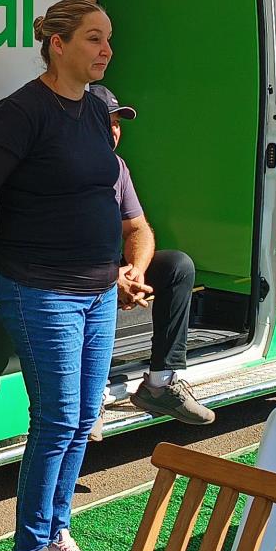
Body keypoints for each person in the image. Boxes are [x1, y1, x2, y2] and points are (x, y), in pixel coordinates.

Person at [0, 0, 117, 551]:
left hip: (98, 290)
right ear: (57, 44)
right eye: (95, 40)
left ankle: (57, 531)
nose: (106, 51)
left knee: (82, 417)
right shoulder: (20, 113)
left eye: (107, 40)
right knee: (56, 418)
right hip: (40, 290)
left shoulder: (98, 107)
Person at [87, 84, 212, 430]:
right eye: (104, 122)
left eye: (116, 123)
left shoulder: (117, 167)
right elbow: (66, 247)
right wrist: (113, 277)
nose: (113, 130)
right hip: (76, 271)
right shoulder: (64, 168)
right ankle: (89, 396)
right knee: (89, 285)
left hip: (112, 267)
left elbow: (139, 229)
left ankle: (160, 383)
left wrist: (136, 272)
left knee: (177, 267)